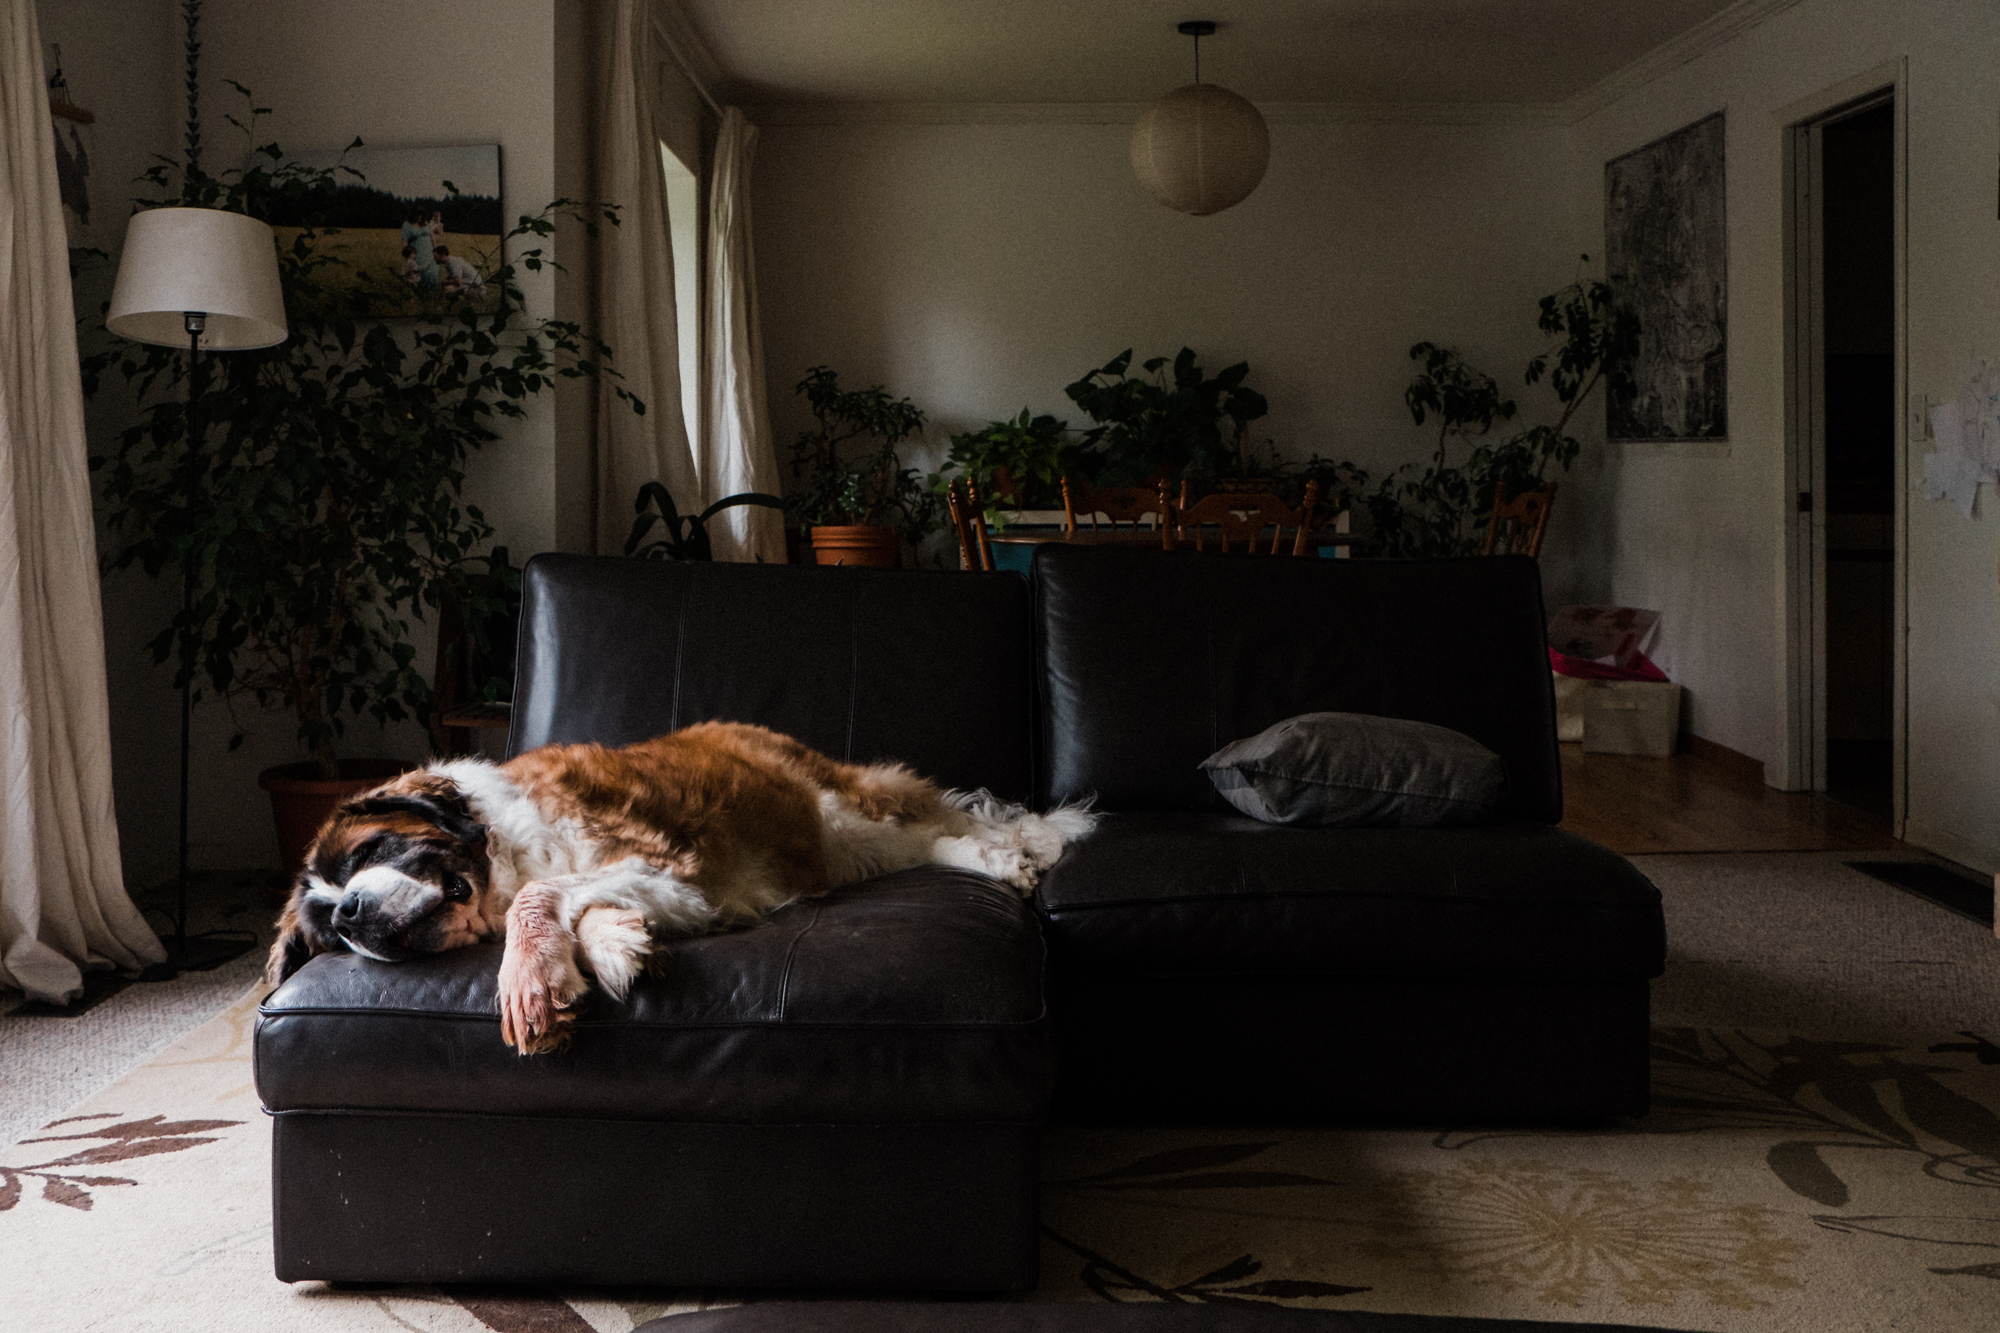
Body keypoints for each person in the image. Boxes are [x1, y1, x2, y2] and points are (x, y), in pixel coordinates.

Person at [399, 205, 438, 292]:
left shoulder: (426, 223)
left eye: (421, 215)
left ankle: (431, 294)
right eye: (417, 215)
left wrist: (435, 249)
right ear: (413, 215)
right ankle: (418, 294)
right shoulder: (407, 225)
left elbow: (432, 237)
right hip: (416, 253)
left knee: (431, 272)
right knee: (417, 273)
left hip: (429, 253)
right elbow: (404, 242)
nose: (419, 217)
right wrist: (407, 255)